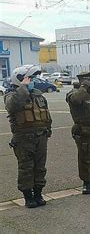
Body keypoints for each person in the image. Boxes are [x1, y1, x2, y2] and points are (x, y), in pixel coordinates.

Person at [4, 65, 52, 208]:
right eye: (29, 78)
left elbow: (46, 115)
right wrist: (23, 87)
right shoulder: (12, 95)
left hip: (40, 137)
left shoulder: (38, 95)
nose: (31, 81)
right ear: (19, 80)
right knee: (26, 167)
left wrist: (47, 130)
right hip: (24, 138)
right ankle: (28, 196)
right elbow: (13, 106)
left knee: (40, 167)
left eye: (31, 79)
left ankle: (38, 193)